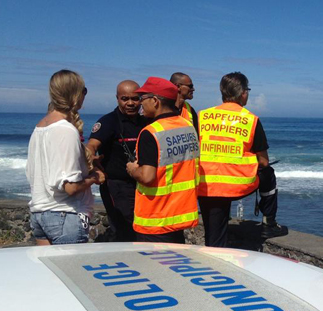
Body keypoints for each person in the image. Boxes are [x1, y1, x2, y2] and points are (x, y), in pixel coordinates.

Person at [197, 72, 287, 247]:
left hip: (206, 184)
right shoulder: (251, 120)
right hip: (237, 184)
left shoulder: (202, 116)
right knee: (268, 173)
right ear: (243, 93)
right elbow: (263, 162)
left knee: (213, 235)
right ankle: (268, 222)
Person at [26, 69, 105, 245]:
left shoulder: (39, 128)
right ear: (77, 93)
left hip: (40, 213)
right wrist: (93, 178)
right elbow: (70, 187)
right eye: (84, 91)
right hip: (64, 215)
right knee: (71, 271)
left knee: (48, 273)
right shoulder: (65, 129)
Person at [126, 77, 200, 243]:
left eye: (142, 99)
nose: (139, 104)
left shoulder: (150, 133)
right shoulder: (188, 126)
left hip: (155, 219)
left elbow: (147, 176)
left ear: (155, 101)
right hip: (179, 217)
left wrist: (132, 169)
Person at [86, 80, 149, 242]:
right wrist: (91, 160)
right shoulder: (109, 122)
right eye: (125, 99)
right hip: (117, 186)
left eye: (135, 99)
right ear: (117, 99)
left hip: (142, 183)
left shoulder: (146, 121)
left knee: (143, 227)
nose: (130, 103)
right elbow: (92, 145)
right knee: (124, 229)